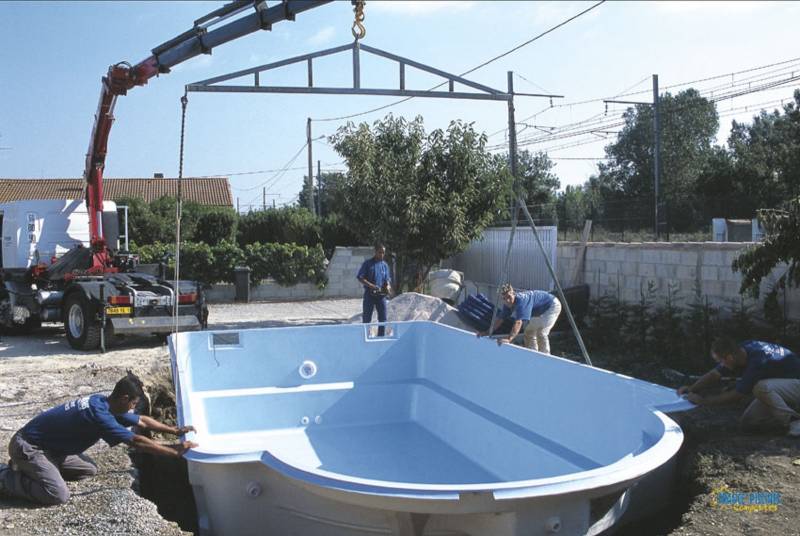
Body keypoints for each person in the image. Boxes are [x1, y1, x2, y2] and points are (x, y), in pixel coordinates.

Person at [0, 375, 198, 505]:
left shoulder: (103, 403)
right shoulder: (99, 415)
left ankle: (34, 467)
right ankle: (7, 478)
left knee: (88, 470)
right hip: (28, 446)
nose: (132, 409)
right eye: (133, 404)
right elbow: (136, 441)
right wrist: (173, 451)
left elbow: (142, 421)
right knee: (57, 495)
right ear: (124, 398)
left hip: (52, 449)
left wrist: (174, 429)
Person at [678, 337, 800, 437]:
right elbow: (715, 374)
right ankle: (786, 417)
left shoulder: (757, 361)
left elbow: (738, 394)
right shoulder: (742, 349)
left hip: (796, 384)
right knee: (749, 423)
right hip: (783, 387)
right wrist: (692, 388)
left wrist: (704, 401)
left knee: (760, 387)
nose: (721, 365)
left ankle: (793, 421)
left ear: (729, 358)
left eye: (720, 361)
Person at [477, 283, 561, 354]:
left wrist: (509, 339)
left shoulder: (521, 300)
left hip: (552, 305)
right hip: (540, 311)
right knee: (529, 332)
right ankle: (532, 355)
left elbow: (518, 322)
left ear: (513, 293)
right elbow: (500, 320)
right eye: (504, 298)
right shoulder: (507, 305)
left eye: (509, 297)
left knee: (541, 332)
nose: (508, 300)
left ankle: (545, 357)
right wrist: (487, 332)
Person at [357, 244, 392, 336]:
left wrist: (388, 286)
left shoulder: (384, 265)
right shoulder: (368, 264)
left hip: (381, 296)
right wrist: (371, 286)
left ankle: (381, 337)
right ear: (375, 252)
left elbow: (387, 279)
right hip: (370, 295)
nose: (381, 255)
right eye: (380, 252)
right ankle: (365, 337)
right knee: (367, 318)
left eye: (383, 253)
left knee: (383, 318)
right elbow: (360, 277)